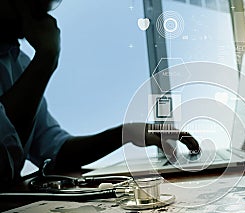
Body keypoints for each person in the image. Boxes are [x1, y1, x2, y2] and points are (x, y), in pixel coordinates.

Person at [0, 0, 199, 185]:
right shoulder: (32, 68)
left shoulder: (19, 63)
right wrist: (46, 59)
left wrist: (127, 132)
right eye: (36, 3)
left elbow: (56, 151)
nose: (45, 13)